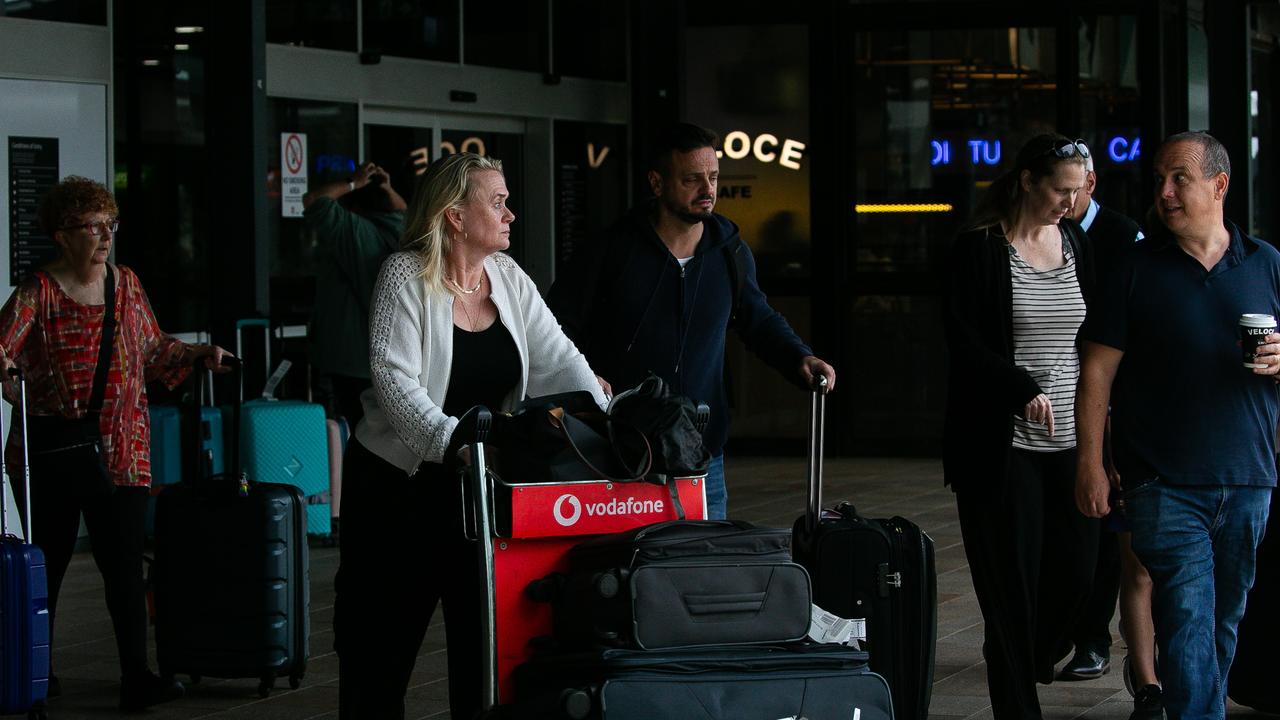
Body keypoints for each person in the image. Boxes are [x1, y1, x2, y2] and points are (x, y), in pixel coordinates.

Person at [332, 152, 609, 720]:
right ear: (456, 215)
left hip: (477, 489)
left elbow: (562, 359)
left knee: (483, 647)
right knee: (380, 651)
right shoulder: (404, 276)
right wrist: (455, 442)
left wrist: (613, 415)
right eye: (498, 201)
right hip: (397, 489)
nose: (510, 214)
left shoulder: (506, 277)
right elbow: (394, 383)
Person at [0, 176, 230, 711]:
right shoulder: (37, 292)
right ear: (62, 235)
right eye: (93, 226)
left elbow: (151, 346)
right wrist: (9, 375)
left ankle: (136, 676)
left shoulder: (124, 285)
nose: (105, 236)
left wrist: (197, 354)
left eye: (111, 224)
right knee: (48, 566)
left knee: (124, 568)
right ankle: (38, 670)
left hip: (123, 451)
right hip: (54, 452)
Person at [1076, 130, 1280, 720]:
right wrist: (1090, 464)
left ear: (1219, 185)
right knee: (1187, 613)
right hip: (1160, 481)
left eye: (1179, 179)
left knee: (1222, 620)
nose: (1164, 193)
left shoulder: (1266, 263)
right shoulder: (1134, 268)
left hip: (1248, 477)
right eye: (1160, 179)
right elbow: (1095, 373)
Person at [547, 122, 836, 519]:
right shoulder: (611, 251)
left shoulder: (729, 252)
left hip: (701, 452)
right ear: (657, 182)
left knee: (702, 566)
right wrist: (584, 385)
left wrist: (798, 357)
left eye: (713, 177)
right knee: (627, 567)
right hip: (622, 450)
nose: (708, 189)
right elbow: (554, 331)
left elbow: (758, 319)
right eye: (692, 179)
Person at [943, 134, 1099, 719]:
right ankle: (1017, 705)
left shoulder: (1077, 242)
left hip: (1070, 441)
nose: (1070, 200)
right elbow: (963, 341)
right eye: (1061, 189)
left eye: (1078, 190)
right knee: (1010, 590)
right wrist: (1021, 387)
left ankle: (1034, 656)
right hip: (1001, 447)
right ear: (1029, 181)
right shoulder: (979, 248)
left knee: (1077, 576)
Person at [1057, 145, 1163, 720]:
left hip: (1136, 418)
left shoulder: (1125, 239)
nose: (1064, 201)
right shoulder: (1058, 237)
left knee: (1130, 554)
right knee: (1113, 550)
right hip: (1091, 410)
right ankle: (1124, 665)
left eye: (1073, 188)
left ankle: (1114, 647)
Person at [302, 160, 406, 426]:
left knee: (343, 433)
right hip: (391, 358)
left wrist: (352, 183)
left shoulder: (355, 231)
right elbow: (404, 208)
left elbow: (314, 200)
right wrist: (387, 187)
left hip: (348, 361)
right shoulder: (404, 231)